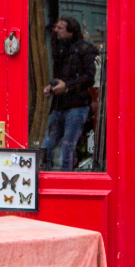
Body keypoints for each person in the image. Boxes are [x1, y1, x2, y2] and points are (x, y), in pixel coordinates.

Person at [39, 17, 98, 172]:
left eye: (60, 28)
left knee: (67, 148)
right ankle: (44, 180)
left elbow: (90, 78)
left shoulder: (86, 49)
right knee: (46, 148)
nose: (56, 30)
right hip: (59, 105)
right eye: (56, 27)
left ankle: (67, 182)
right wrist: (51, 87)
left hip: (77, 106)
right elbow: (60, 77)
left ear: (71, 31)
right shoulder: (60, 48)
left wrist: (67, 86)